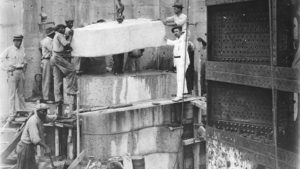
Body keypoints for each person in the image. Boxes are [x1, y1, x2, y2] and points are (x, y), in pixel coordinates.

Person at [15, 103, 57, 169]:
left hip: (30, 148)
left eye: (46, 111)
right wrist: (46, 147)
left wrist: (56, 117)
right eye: (44, 111)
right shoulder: (33, 121)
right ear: (38, 112)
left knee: (32, 167)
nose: (46, 113)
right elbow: (35, 139)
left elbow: (48, 118)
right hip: (25, 148)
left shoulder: (41, 117)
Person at [51, 24, 77, 113]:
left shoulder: (57, 36)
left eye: (63, 28)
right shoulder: (59, 35)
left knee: (57, 80)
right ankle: (71, 91)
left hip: (55, 57)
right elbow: (67, 46)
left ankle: (58, 101)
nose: (62, 29)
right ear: (57, 29)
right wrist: (70, 36)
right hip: (58, 57)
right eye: (60, 28)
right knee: (72, 70)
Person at [0, 35, 27, 122]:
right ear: (14, 41)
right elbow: (1, 59)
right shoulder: (9, 50)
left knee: (21, 94)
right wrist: (6, 68)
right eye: (18, 41)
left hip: (20, 72)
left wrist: (24, 68)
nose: (19, 42)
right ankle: (12, 114)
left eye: (20, 41)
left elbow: (24, 60)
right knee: (12, 95)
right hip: (12, 73)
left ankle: (23, 111)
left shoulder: (22, 49)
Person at [165, 26, 190, 102]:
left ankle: (179, 96)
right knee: (182, 77)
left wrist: (184, 29)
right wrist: (165, 39)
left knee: (180, 78)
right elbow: (171, 42)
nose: (175, 33)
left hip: (182, 61)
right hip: (178, 61)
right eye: (174, 32)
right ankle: (184, 92)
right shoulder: (177, 40)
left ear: (180, 31)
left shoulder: (184, 38)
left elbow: (188, 33)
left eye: (177, 31)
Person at [40, 27, 55, 103]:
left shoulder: (50, 40)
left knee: (51, 79)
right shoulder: (47, 41)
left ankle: (50, 96)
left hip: (50, 60)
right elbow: (53, 49)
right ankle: (46, 97)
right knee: (46, 79)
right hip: (47, 60)